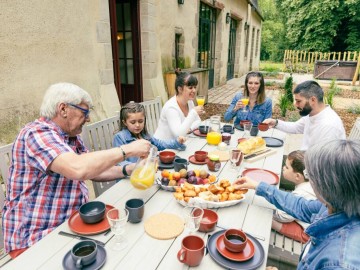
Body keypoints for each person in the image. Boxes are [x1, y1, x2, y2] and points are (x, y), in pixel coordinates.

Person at [1, 83, 151, 258]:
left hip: (69, 224)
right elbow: (78, 168)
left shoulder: (70, 138)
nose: (87, 119)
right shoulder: (36, 134)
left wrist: (129, 169)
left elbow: (92, 171)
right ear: (63, 109)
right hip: (34, 237)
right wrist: (128, 150)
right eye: (84, 112)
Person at [234, 139, 360, 269]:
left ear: (328, 185)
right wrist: (258, 186)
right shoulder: (336, 205)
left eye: (310, 175)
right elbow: (300, 206)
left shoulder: (339, 263)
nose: (309, 180)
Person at [263, 80, 345, 150]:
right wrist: (275, 123)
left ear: (313, 100)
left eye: (298, 101)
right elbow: (295, 127)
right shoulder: (313, 114)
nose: (295, 105)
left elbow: (322, 162)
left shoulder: (329, 126)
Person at [113, 102, 186, 168]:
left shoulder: (144, 135)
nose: (137, 125)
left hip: (146, 173)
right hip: (129, 178)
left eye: (141, 121)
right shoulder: (120, 138)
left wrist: (177, 142)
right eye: (133, 122)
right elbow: (119, 162)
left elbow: (160, 144)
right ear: (125, 122)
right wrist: (137, 166)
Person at [272, 150, 316, 243]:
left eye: (287, 167)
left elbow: (283, 217)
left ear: (297, 176)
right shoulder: (314, 183)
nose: (283, 168)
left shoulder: (300, 193)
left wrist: (271, 209)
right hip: (311, 221)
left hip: (309, 235)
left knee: (270, 219)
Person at [153, 69, 204, 140]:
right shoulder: (171, 107)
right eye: (190, 88)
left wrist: (189, 128)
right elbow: (178, 135)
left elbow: (198, 121)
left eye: (195, 87)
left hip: (179, 145)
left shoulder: (189, 102)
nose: (194, 90)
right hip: (163, 147)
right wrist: (193, 113)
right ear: (180, 89)